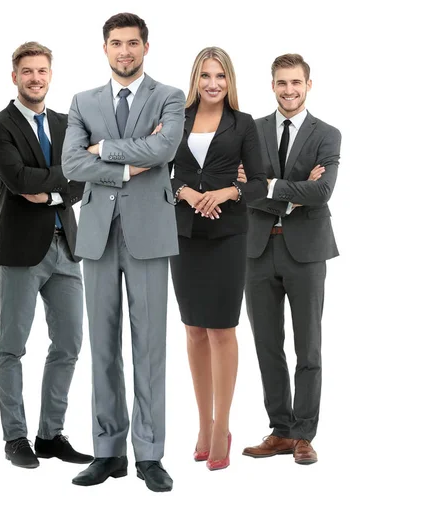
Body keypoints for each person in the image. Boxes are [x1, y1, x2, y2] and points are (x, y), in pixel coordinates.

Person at [62, 12, 185, 493]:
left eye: (133, 43)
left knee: (150, 346)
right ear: (105, 48)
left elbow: (165, 147)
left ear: (146, 47)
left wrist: (104, 150)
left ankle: (149, 454)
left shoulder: (170, 97)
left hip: (151, 233)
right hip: (96, 234)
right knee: (104, 347)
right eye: (116, 43)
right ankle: (107, 451)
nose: (125, 51)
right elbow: (73, 162)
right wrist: (127, 165)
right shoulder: (82, 100)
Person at [0, 42, 92, 470]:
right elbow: (14, 177)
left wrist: (46, 190)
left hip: (67, 248)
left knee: (68, 344)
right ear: (14, 77)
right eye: (27, 71)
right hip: (22, 252)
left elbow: (84, 180)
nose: (35, 78)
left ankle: (50, 434)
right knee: (11, 346)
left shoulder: (68, 124)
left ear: (50, 74)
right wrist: (64, 180)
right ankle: (15, 437)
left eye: (42, 71)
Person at [169, 47, 267, 471]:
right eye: (206, 75)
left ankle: (224, 424)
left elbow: (260, 183)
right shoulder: (176, 119)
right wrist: (186, 192)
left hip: (227, 234)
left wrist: (226, 193)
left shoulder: (243, 124)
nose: (212, 83)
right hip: (184, 234)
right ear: (196, 78)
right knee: (193, 329)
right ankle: (204, 424)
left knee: (222, 330)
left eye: (220, 76)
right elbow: (160, 170)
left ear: (229, 81)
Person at [241, 53, 341, 465]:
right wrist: (290, 194)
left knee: (308, 348)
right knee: (267, 345)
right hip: (257, 250)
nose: (289, 90)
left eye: (295, 83)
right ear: (272, 86)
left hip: (307, 253)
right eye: (281, 83)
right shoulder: (251, 130)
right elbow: (242, 189)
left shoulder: (327, 134)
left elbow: (323, 193)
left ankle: (304, 435)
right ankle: (280, 431)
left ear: (308, 85)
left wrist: (268, 186)